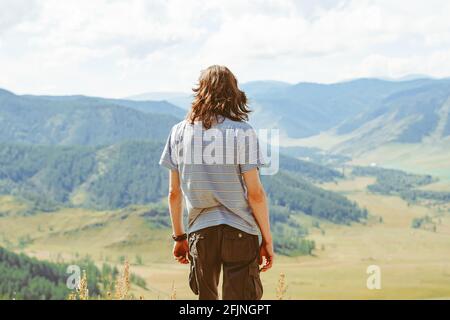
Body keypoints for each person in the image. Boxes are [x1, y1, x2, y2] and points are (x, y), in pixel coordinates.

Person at [159, 65, 274, 300]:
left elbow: (174, 193)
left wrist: (180, 237)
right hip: (241, 231)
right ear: (234, 93)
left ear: (199, 92)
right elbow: (256, 194)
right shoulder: (243, 132)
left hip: (201, 232)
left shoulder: (179, 132)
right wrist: (267, 240)